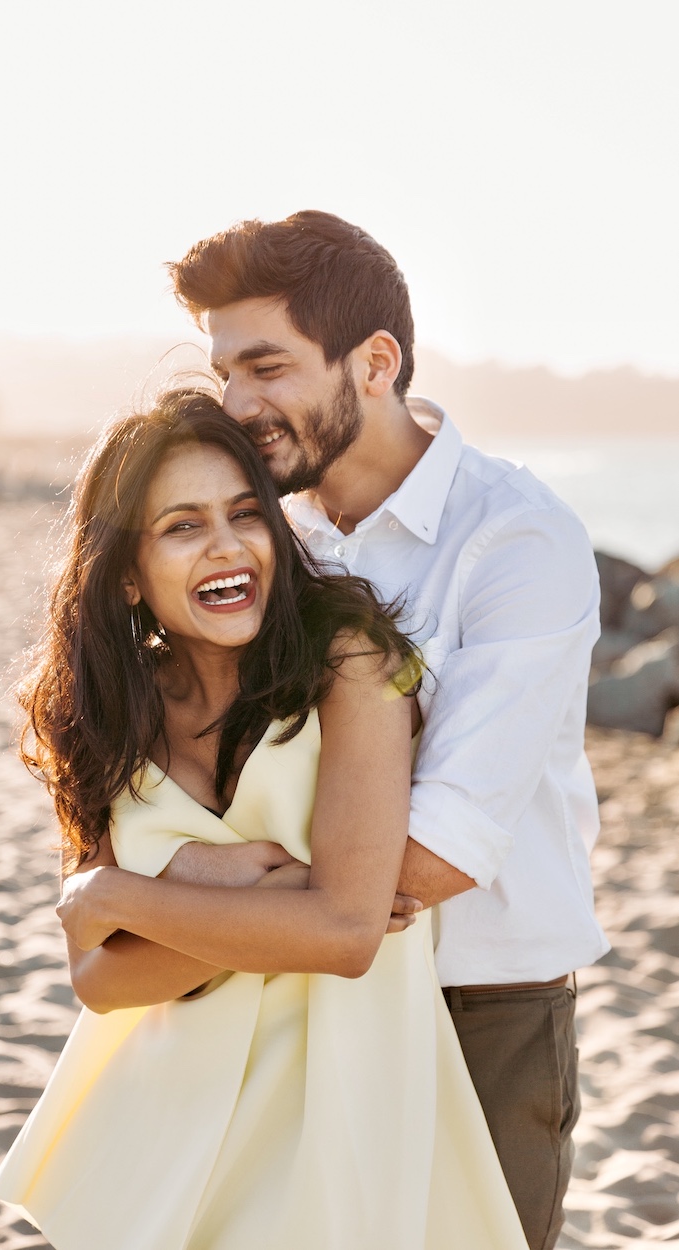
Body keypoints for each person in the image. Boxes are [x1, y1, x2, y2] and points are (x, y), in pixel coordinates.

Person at [0, 389, 529, 1250]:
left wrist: (122, 893)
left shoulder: (351, 663)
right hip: (165, 1116)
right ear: (126, 572)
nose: (226, 545)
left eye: (245, 512)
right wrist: (265, 894)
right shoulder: (97, 712)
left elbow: (347, 936)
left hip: (337, 1106)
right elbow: (98, 982)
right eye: (181, 526)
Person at [165, 211, 610, 1250]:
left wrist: (197, 889)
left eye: (265, 365)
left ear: (374, 362)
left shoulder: (516, 536)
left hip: (478, 1013)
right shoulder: (265, 541)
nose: (236, 404)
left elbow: (441, 850)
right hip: (287, 999)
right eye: (223, 370)